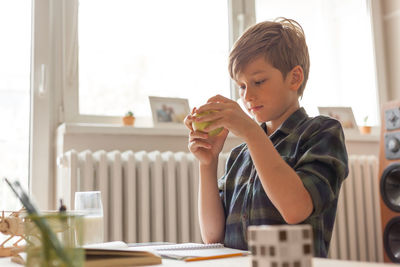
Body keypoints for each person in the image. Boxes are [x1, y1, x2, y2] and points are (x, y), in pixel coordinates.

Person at [184, 18, 348, 258]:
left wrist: (251, 132)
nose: (247, 96)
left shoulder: (322, 132)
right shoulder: (241, 154)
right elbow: (212, 237)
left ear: (294, 78)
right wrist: (207, 163)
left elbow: (295, 210)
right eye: (241, 86)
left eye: (258, 81)